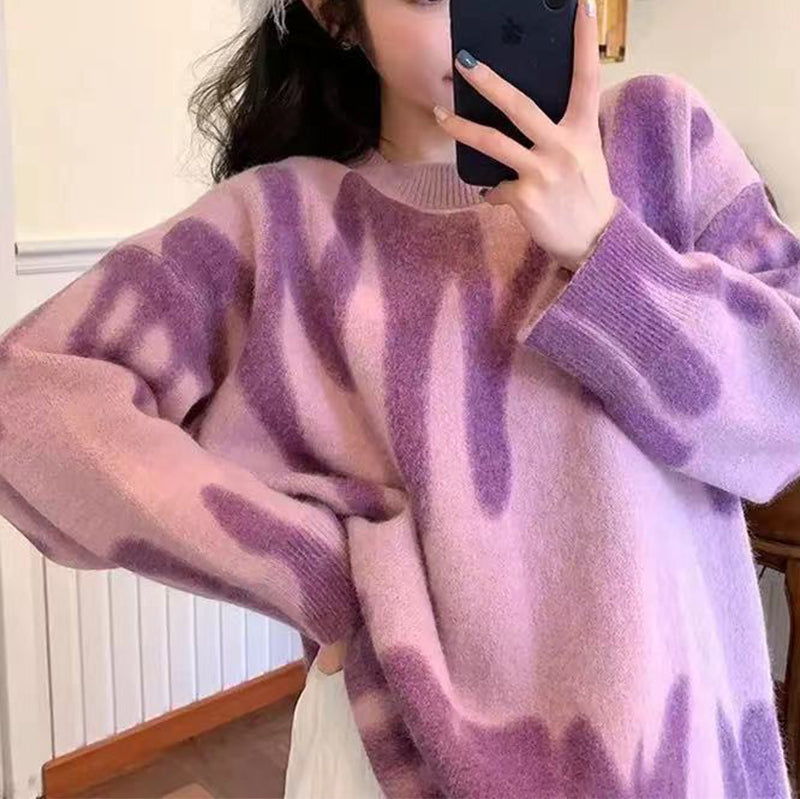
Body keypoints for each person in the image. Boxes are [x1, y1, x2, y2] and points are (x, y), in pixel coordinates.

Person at [0, 0, 798, 795]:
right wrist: (314, 569)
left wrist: (602, 245)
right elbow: (27, 398)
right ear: (336, 15)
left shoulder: (661, 139)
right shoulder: (282, 222)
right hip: (396, 755)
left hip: (676, 751)